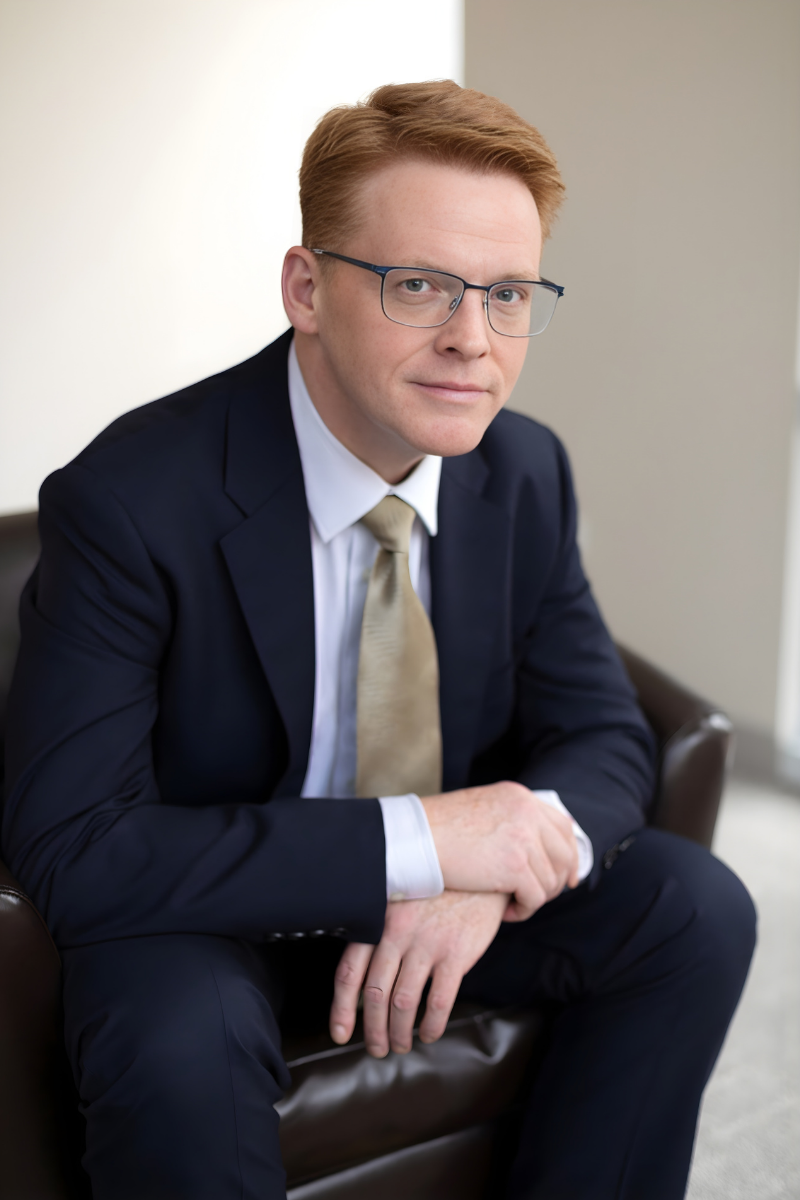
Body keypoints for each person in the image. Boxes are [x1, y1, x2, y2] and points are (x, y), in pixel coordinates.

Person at [2, 80, 755, 1199]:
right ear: (306, 287)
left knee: (692, 907)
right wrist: (425, 842)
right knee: (173, 1038)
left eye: (506, 295)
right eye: (419, 286)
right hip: (206, 913)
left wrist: (485, 873)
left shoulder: (523, 470)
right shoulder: (129, 500)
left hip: (435, 894)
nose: (471, 340)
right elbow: (79, 850)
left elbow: (599, 728)